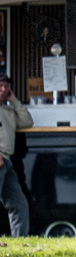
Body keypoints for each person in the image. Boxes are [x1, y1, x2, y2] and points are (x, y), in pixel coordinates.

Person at [0, 74, 32, 237]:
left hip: (7, 160)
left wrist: (13, 100)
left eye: (6, 86)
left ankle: (20, 243)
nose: (3, 89)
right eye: (0, 86)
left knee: (19, 204)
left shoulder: (8, 111)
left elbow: (27, 121)